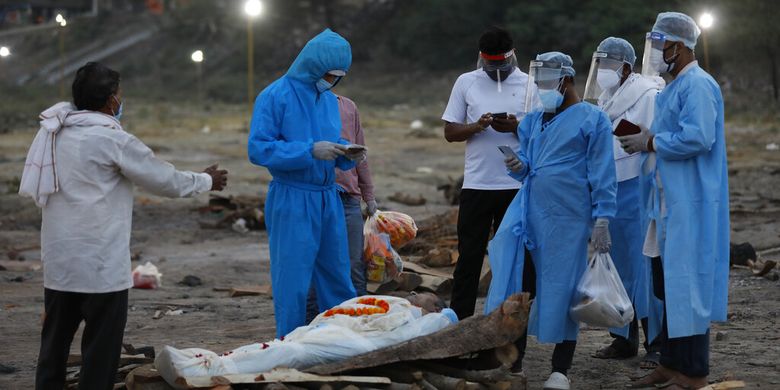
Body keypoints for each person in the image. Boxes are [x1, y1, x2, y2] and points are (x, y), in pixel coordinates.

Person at [19, 62, 228, 390]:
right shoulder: (112, 139)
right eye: (119, 94)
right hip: (101, 269)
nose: (121, 100)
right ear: (112, 102)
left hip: (60, 265)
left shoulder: (54, 134)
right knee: (100, 354)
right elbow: (163, 179)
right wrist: (205, 180)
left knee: (54, 347)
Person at [485, 52, 617, 390]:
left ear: (567, 81)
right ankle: (515, 361)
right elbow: (530, 160)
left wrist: (602, 217)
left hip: (568, 216)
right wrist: (519, 165)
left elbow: (603, 171)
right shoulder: (533, 120)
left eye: (547, 85)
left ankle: (561, 368)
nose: (543, 92)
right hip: (529, 213)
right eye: (539, 85)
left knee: (564, 286)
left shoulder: (592, 119)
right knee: (521, 286)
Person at [622, 12, 729, 390]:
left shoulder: (698, 85)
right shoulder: (674, 87)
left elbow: (699, 137)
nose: (655, 54)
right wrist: (648, 136)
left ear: (678, 47)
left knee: (687, 286)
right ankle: (670, 361)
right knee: (666, 284)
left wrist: (652, 142)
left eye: (660, 46)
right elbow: (673, 133)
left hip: (691, 201)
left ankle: (694, 372)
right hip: (666, 202)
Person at [248, 29, 367, 338]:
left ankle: (340, 338)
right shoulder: (274, 96)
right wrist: (307, 151)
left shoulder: (327, 100)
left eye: (339, 77)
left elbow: (331, 143)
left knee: (337, 275)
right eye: (330, 75)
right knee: (293, 278)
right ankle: (289, 343)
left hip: (329, 197)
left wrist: (346, 155)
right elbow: (258, 149)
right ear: (312, 66)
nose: (334, 82)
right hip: (292, 196)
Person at [155, 293, 458, 388]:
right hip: (336, 328)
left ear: (431, 307)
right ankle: (212, 360)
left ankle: (209, 371)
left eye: (422, 297)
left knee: (293, 351)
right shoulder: (395, 301)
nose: (414, 295)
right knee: (280, 344)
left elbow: (446, 320)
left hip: (357, 341)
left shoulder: (420, 317)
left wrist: (437, 311)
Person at [583, 37, 665, 368]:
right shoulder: (605, 98)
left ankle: (656, 341)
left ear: (626, 67)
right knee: (616, 266)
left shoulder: (647, 95)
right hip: (612, 189)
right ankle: (623, 338)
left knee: (643, 267)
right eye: (599, 64)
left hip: (639, 187)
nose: (602, 72)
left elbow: (652, 138)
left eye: (608, 65)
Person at [442, 26, 533, 320]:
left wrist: (516, 127)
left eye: (503, 66)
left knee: (514, 260)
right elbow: (450, 132)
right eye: (492, 66)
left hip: (516, 186)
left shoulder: (530, 84)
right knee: (469, 258)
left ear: (513, 56)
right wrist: (477, 126)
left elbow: (544, 135)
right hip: (477, 185)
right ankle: (460, 322)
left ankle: (510, 327)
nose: (498, 72)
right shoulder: (466, 82)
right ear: (482, 59)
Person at [306, 94, 377, 322]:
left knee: (354, 263)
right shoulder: (304, 104)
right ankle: (311, 322)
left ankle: (361, 317)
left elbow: (360, 154)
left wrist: (368, 194)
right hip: (316, 196)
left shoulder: (347, 106)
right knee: (316, 263)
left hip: (348, 198)